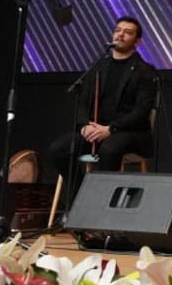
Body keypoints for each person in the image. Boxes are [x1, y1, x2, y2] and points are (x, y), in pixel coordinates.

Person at [47, 16, 157, 186]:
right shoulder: (99, 66)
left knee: (109, 149)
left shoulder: (145, 71)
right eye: (118, 30)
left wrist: (110, 129)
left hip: (129, 133)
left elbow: (141, 111)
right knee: (59, 149)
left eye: (128, 32)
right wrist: (85, 126)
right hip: (96, 130)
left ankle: (104, 199)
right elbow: (83, 102)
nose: (120, 35)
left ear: (138, 42)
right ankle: (80, 193)